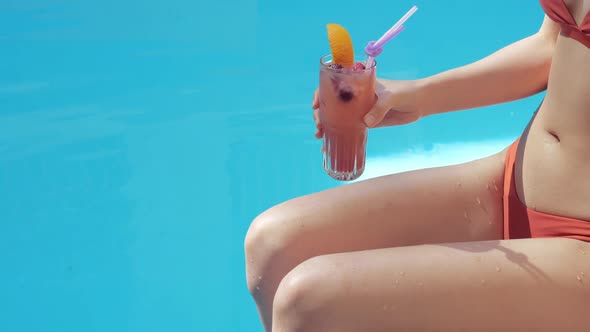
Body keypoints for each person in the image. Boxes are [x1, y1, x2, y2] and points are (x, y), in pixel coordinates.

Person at [245, 1, 590, 331]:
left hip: (581, 250)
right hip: (514, 181)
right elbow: (550, 45)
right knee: (273, 244)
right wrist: (418, 96)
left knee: (307, 301)